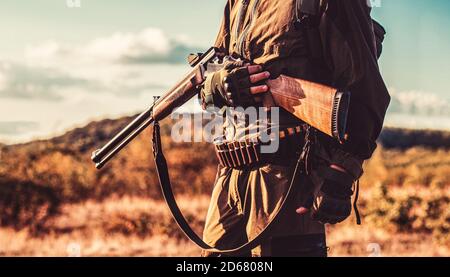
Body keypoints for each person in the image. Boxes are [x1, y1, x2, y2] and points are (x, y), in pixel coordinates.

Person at [199, 0, 390, 257]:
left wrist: (342, 172)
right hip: (230, 176)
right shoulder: (236, 2)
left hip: (288, 178)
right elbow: (210, 76)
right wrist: (218, 85)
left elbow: (366, 90)